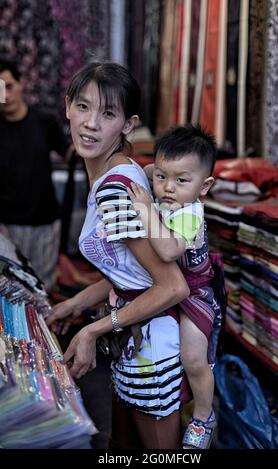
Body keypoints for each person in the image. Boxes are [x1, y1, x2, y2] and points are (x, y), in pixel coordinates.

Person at [46, 61, 190, 449]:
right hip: (137, 341)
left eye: (107, 113)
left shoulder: (113, 190)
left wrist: (93, 327)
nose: (90, 123)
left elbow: (171, 286)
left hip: (154, 348)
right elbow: (130, 272)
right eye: (83, 106)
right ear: (67, 106)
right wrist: (76, 302)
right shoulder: (120, 170)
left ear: (128, 124)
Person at [127, 124, 221, 449]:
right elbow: (154, 167)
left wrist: (144, 208)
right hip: (166, 287)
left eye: (182, 180)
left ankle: (204, 416)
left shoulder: (190, 212)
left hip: (195, 293)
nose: (168, 187)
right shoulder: (168, 190)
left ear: (204, 185)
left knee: (192, 358)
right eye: (162, 177)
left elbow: (168, 250)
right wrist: (153, 171)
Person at [0, 58, 72, 292]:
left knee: (43, 287)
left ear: (21, 84)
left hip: (44, 220)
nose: (5, 95)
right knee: (11, 289)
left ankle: (44, 330)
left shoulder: (44, 122)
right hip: (6, 224)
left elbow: (69, 154)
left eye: (8, 86)